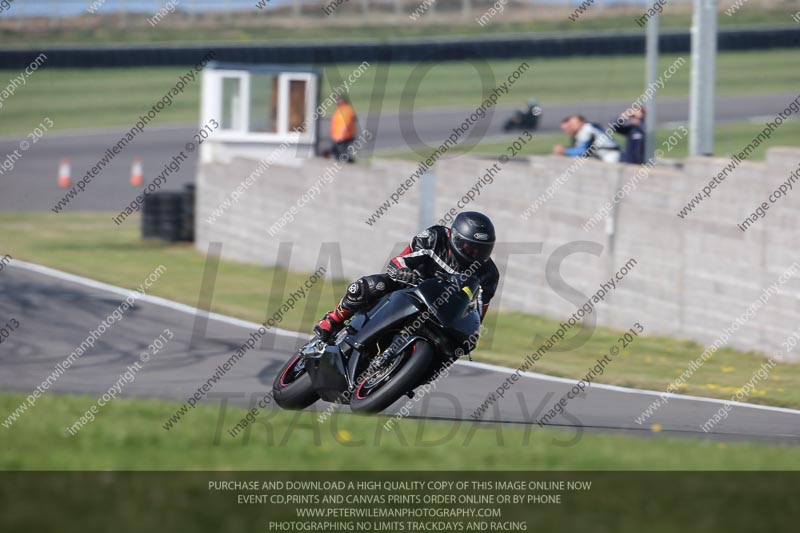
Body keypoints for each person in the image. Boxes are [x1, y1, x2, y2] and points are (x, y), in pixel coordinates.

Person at [314, 211, 500, 343]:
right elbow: (400, 260)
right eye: (469, 247)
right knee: (369, 285)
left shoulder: (488, 273)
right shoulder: (435, 238)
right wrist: (402, 271)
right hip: (409, 287)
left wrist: (472, 332)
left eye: (481, 250)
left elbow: (478, 312)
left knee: (460, 343)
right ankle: (332, 320)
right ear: (454, 237)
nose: (474, 254)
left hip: (443, 311)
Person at [553, 114, 621, 163]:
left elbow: (583, 151)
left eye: (574, 123)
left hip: (610, 156)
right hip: (603, 156)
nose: (572, 126)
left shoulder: (586, 128)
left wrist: (564, 151)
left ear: (582, 122)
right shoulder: (582, 131)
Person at [330, 95, 357, 163]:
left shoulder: (346, 109)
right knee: (336, 150)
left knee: (342, 151)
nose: (336, 102)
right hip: (337, 135)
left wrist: (342, 133)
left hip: (344, 136)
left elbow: (346, 122)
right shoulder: (340, 109)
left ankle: (349, 162)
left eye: (338, 100)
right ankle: (344, 161)